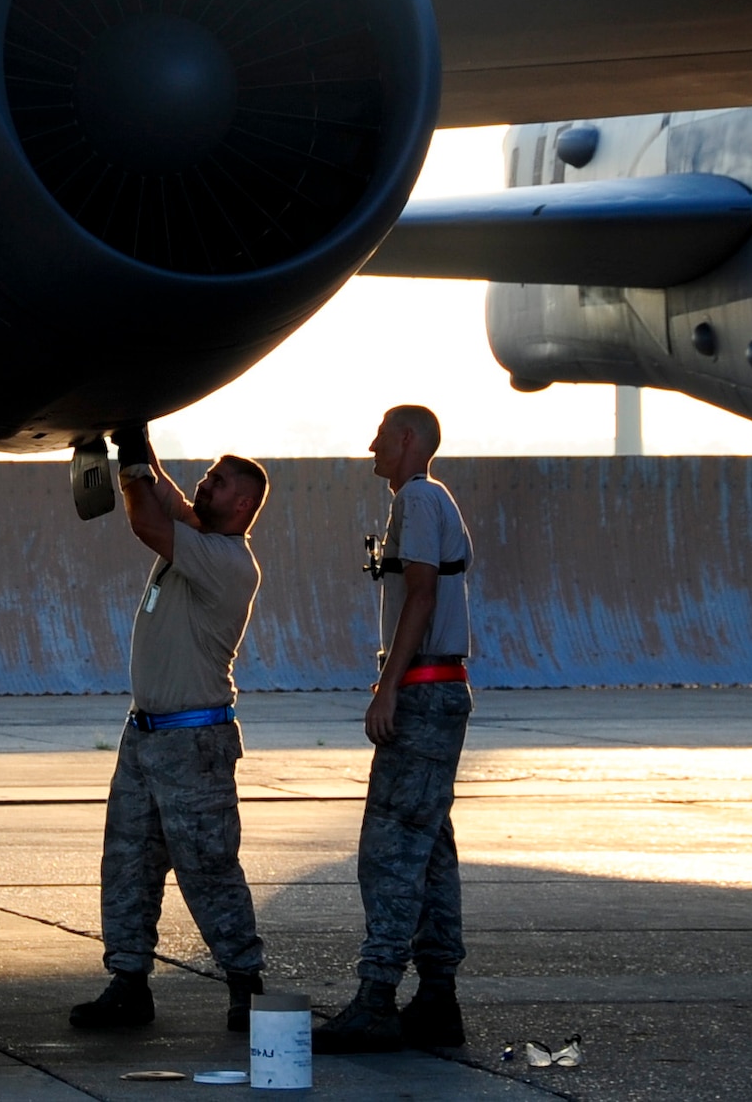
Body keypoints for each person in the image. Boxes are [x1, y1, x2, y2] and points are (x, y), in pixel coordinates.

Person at [69, 425, 270, 1036]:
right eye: (206, 476)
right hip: (146, 737)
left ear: (241, 507)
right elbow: (168, 502)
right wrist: (138, 438)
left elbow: (146, 521)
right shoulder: (201, 536)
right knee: (128, 863)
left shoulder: (227, 561)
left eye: (217, 482)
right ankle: (129, 983)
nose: (203, 485)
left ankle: (245, 984)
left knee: (209, 868)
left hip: (193, 745)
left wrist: (130, 462)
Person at [314, 404, 475, 1054]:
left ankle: (376, 997)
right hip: (439, 690)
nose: (372, 446)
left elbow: (421, 595)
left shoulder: (416, 498)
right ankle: (437, 999)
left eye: (381, 435)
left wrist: (387, 688)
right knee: (429, 849)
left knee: (389, 850)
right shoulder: (429, 499)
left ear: (408, 439)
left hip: (423, 694)